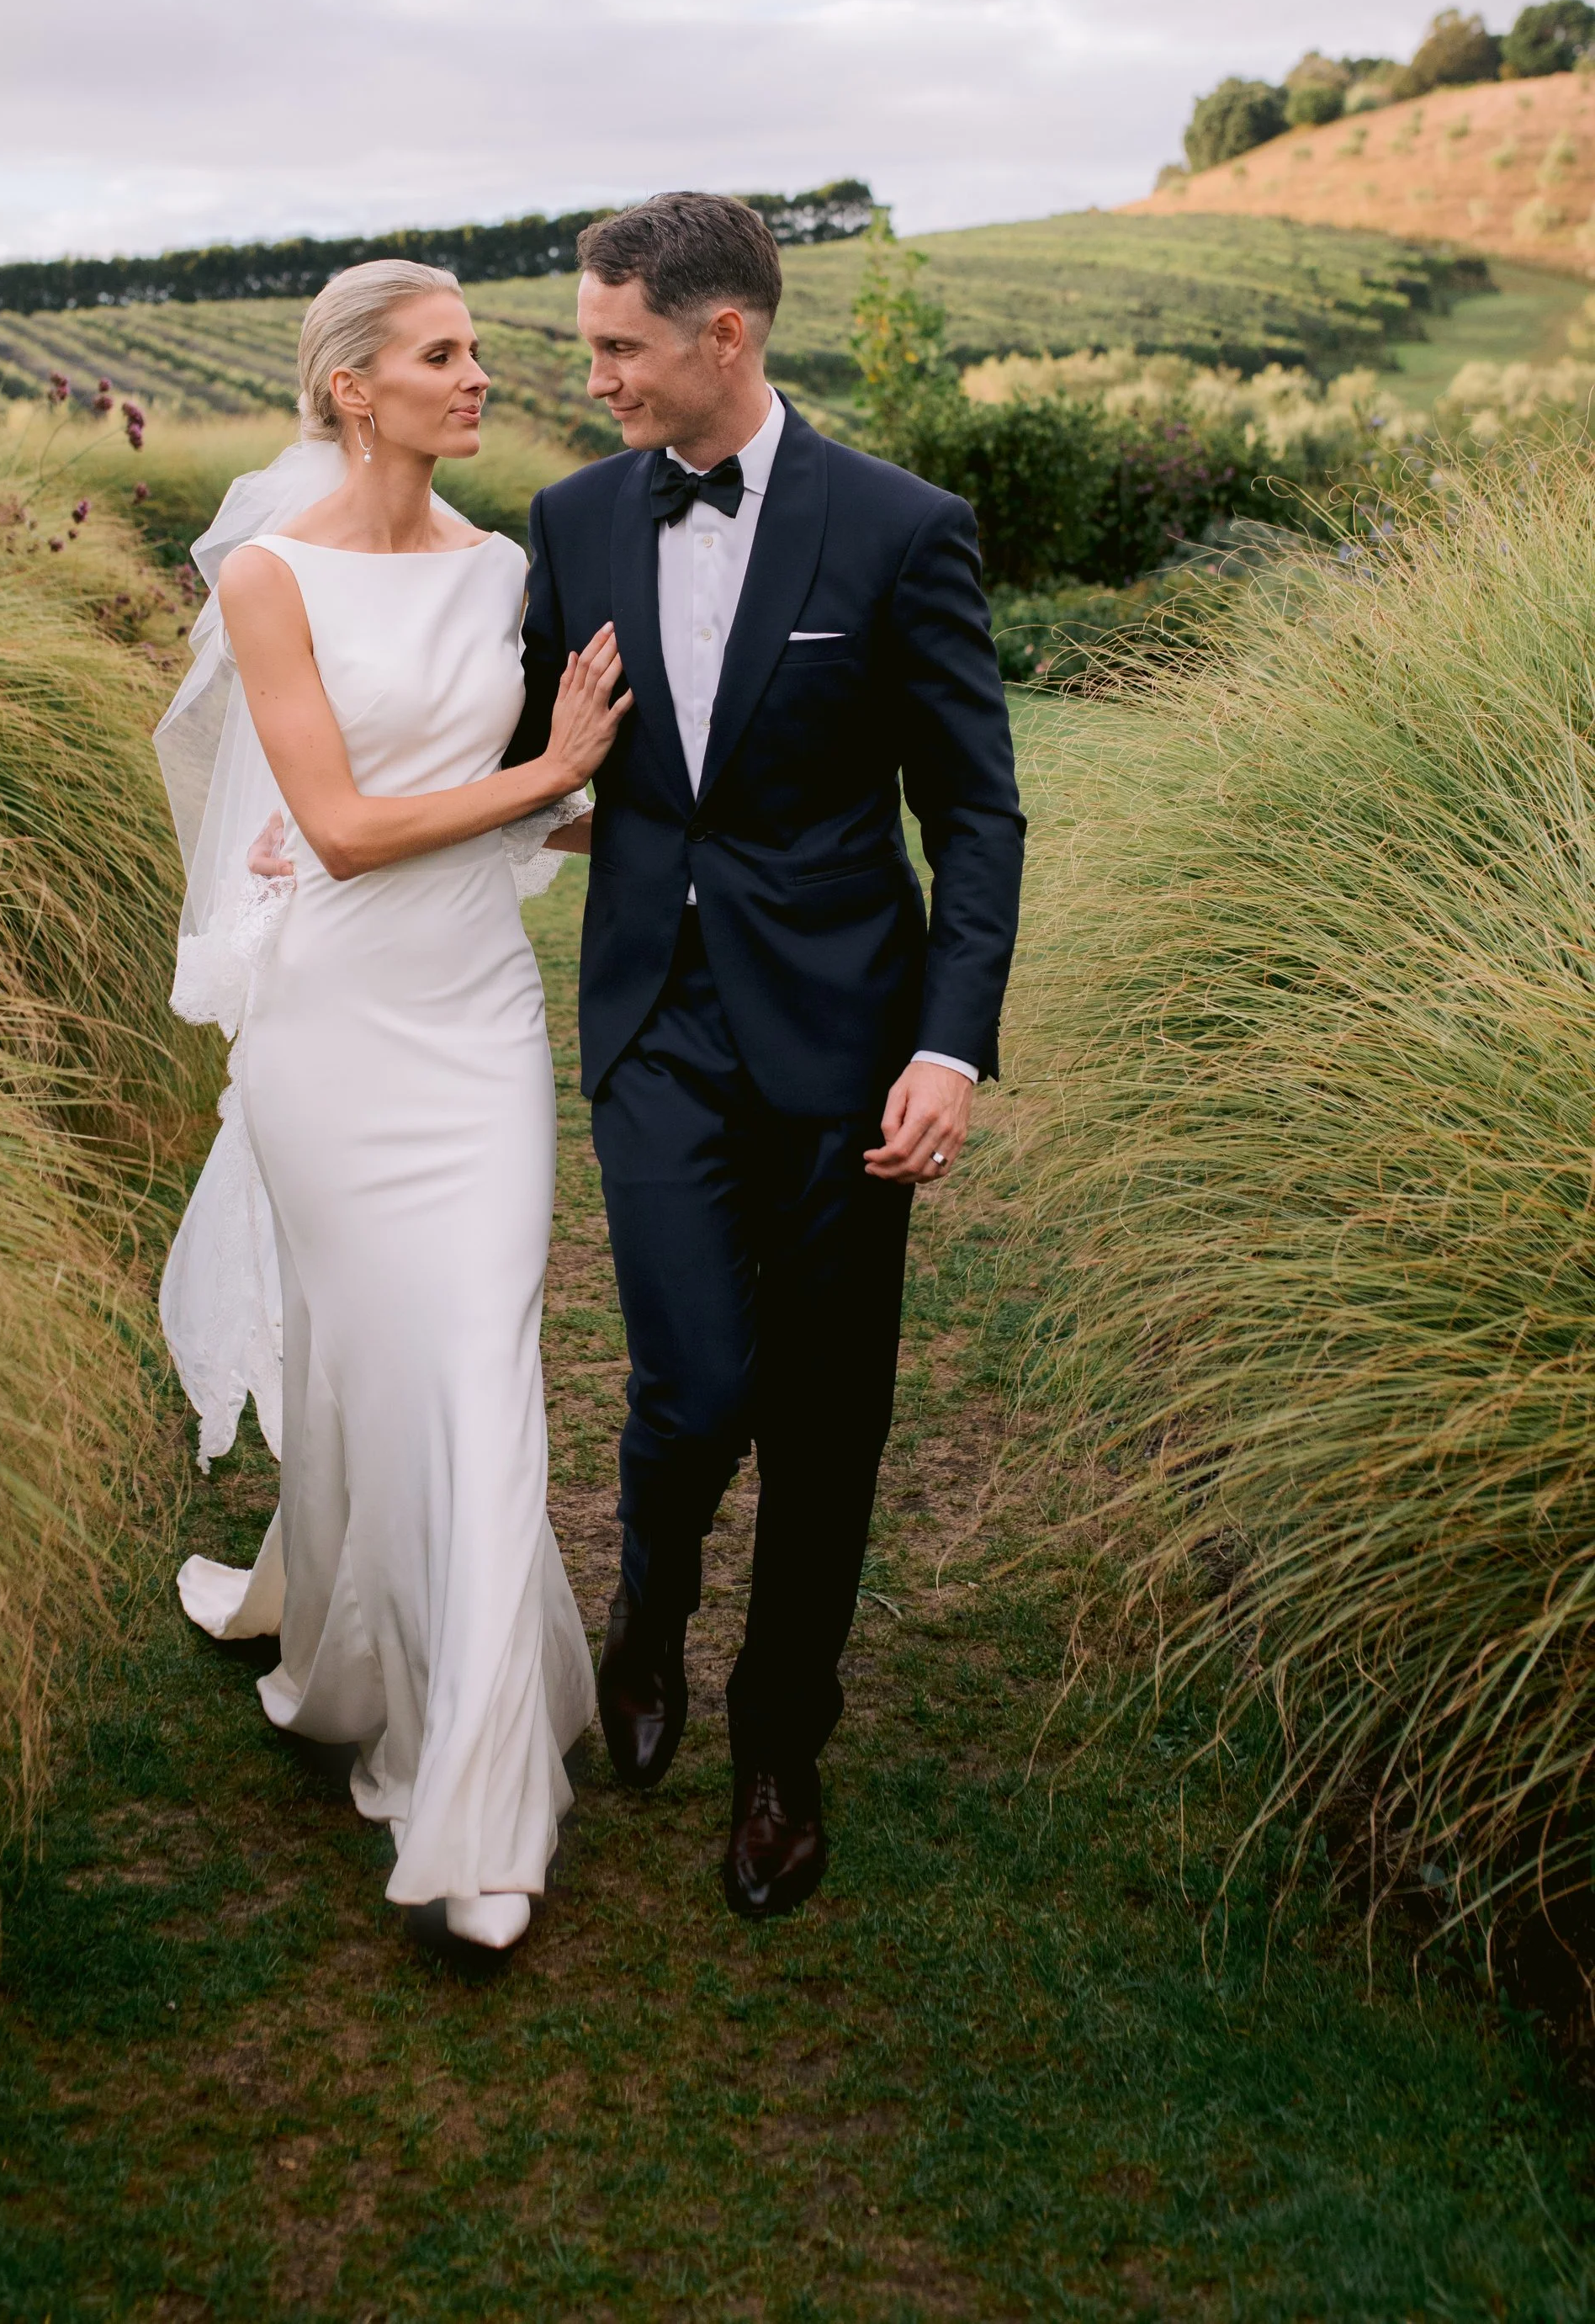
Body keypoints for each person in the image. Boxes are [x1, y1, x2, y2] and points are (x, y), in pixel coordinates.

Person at [506, 191, 1024, 1920]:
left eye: (617, 347)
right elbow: (523, 755)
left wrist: (949, 1051)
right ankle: (645, 1614)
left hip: (844, 1044)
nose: (593, 380)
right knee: (695, 1383)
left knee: (825, 1424)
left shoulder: (898, 529)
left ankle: (777, 1741)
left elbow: (974, 814)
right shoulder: (571, 520)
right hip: (654, 1020)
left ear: (721, 334)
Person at [154, 259, 626, 1953]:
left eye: (477, 352)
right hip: (333, 1027)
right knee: (370, 1364)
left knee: (479, 1363)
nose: (478, 375)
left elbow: (495, 819)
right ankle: (342, 1638)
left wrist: (608, 809)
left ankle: (476, 1801)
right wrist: (551, 771)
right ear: (352, 387)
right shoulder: (272, 579)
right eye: (443, 355)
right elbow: (344, 827)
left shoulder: (501, 566)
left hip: (473, 1017)